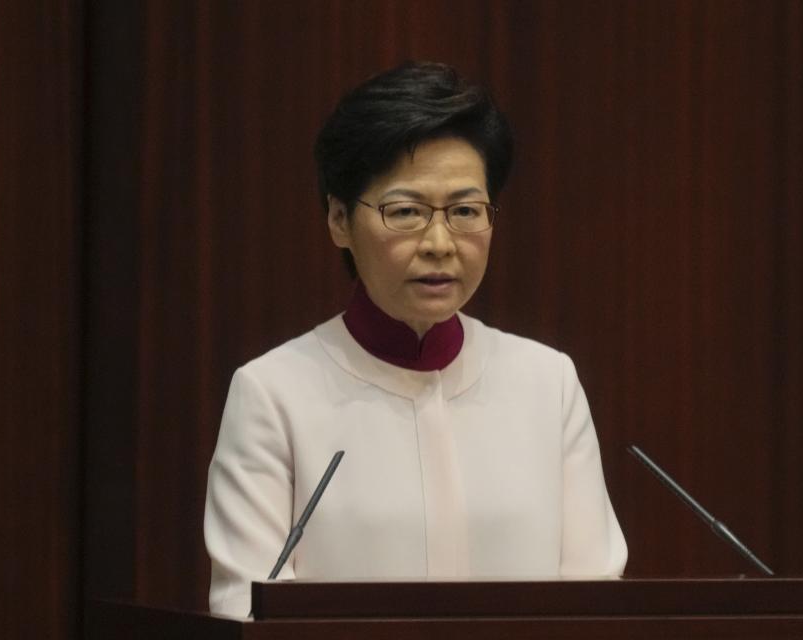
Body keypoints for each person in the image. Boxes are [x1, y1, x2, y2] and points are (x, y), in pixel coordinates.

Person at [204, 61, 627, 618]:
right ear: (338, 219)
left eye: (465, 211)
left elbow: (592, 602)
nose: (439, 242)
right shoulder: (273, 393)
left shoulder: (547, 382)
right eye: (405, 211)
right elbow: (244, 611)